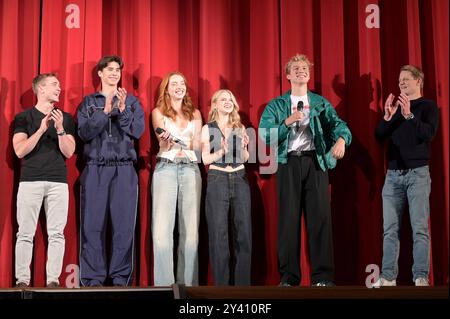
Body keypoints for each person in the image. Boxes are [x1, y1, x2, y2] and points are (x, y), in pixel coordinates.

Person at [259, 54, 352, 287]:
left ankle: (322, 277)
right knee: (288, 222)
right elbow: (265, 135)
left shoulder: (320, 103)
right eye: (296, 68)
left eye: (304, 68)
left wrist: (341, 140)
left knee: (320, 220)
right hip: (288, 163)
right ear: (288, 75)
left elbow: (340, 125)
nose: (301, 70)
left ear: (309, 75)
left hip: (315, 163)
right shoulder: (278, 105)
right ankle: (289, 278)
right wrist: (288, 121)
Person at [77, 55, 145, 287]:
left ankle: (119, 278)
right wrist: (104, 111)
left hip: (124, 169)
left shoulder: (133, 102)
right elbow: (84, 133)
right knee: (92, 226)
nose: (114, 73)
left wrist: (123, 110)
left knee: (124, 227)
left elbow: (137, 131)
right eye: (110, 69)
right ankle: (93, 279)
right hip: (95, 168)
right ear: (100, 73)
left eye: (118, 70)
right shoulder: (88, 102)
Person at [374, 65, 439, 287]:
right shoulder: (395, 108)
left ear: (418, 80)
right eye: (399, 79)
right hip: (392, 176)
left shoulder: (427, 107)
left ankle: (420, 276)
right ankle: (388, 277)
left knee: (419, 228)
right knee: (390, 229)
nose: (401, 83)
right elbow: (379, 135)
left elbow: (428, 134)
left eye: (406, 79)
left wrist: (409, 115)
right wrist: (387, 117)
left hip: (418, 174)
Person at [13, 73, 76, 288]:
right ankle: (22, 280)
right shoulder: (24, 118)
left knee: (57, 234)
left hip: (58, 182)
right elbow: (20, 150)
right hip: (30, 181)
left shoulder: (66, 118)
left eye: (59, 85)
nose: (59, 88)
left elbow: (69, 152)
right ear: (41, 89)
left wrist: (59, 129)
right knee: (25, 233)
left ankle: (53, 281)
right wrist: (41, 129)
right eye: (54, 85)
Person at [151, 71, 202, 286]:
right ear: (167, 89)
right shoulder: (158, 112)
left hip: (191, 169)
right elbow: (162, 142)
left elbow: (198, 146)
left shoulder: (196, 114)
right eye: (174, 84)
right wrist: (181, 141)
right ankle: (164, 287)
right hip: (166, 168)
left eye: (182, 83)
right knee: (162, 231)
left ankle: (188, 286)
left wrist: (177, 140)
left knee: (190, 233)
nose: (179, 86)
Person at [201, 89, 251, 286]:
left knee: (243, 233)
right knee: (218, 234)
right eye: (223, 99)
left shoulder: (240, 127)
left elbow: (246, 158)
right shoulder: (207, 128)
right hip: (217, 178)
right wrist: (222, 150)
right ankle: (221, 288)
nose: (227, 102)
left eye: (230, 99)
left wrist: (245, 147)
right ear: (215, 104)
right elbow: (205, 159)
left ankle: (242, 287)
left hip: (239, 177)